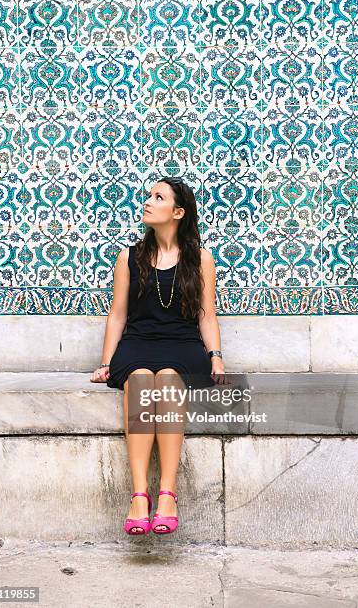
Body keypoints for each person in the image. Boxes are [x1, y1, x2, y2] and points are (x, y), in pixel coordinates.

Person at [90, 176, 225, 535]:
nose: (148, 201)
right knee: (139, 380)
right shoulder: (129, 257)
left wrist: (216, 356)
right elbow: (117, 314)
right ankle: (138, 496)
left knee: (166, 380)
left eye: (158, 197)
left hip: (182, 345)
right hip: (138, 343)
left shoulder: (201, 259)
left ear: (177, 212)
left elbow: (206, 315)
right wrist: (105, 363)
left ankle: (167, 493)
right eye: (149, 196)